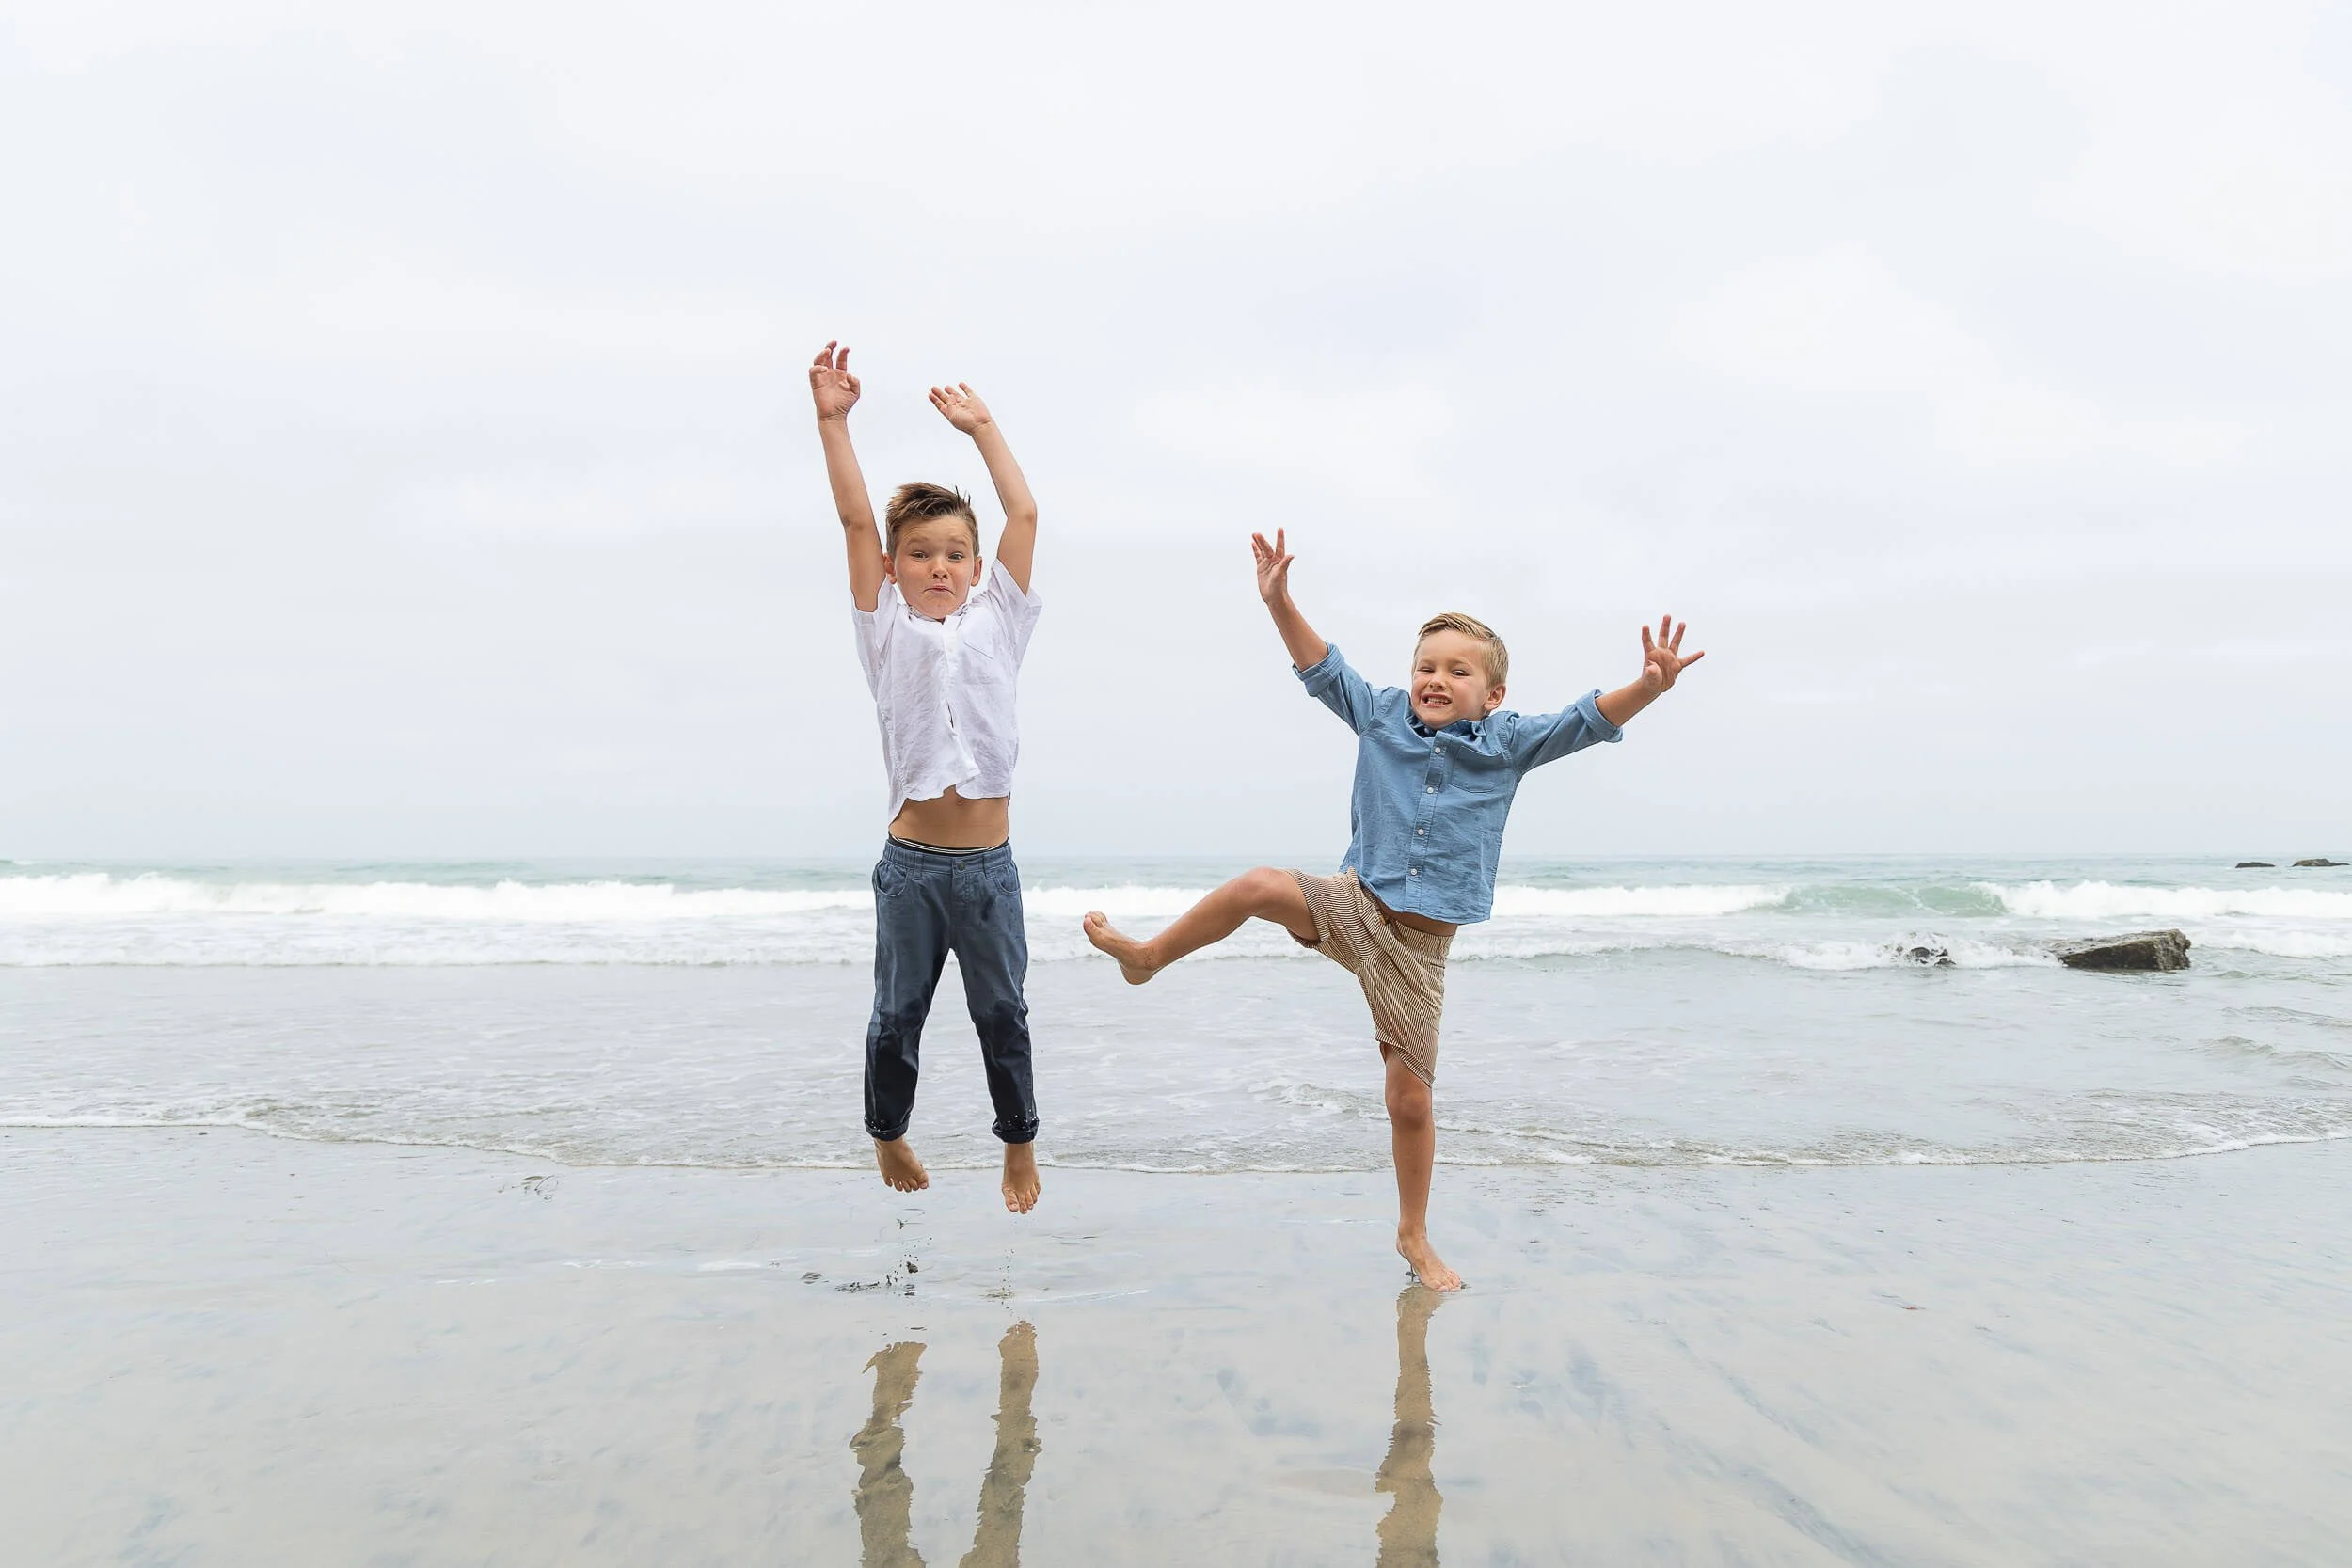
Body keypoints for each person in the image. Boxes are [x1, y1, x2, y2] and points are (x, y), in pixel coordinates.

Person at [1084, 529, 1705, 1286]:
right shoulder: (1380, 716)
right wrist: (1280, 599)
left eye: (1456, 670)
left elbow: (1586, 719)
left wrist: (1649, 685)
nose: (1435, 679)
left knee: (1408, 1100)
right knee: (1258, 884)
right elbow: (1321, 669)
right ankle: (1148, 957)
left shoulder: (1508, 744)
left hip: (1417, 951)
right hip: (1353, 904)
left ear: (1494, 693)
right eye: (1425, 666)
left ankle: (1413, 1234)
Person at [810, 340, 1044, 1212]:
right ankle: (887, 1131)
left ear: (977, 570)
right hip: (910, 869)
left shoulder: (1000, 621)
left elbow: (1022, 512)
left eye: (953, 554)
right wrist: (833, 421)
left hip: (988, 868)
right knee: (896, 1015)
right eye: (919, 554)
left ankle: (1018, 1146)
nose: (937, 566)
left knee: (1003, 1017)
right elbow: (854, 524)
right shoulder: (885, 628)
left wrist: (983, 428)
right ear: (895, 568)